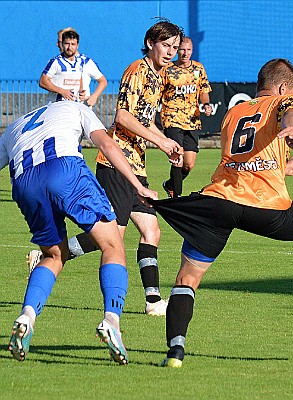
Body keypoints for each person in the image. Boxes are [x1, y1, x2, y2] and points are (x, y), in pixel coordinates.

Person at [149, 58, 293, 368]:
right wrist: (290, 126)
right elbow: (292, 110)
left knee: (187, 277)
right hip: (263, 206)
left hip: (218, 202)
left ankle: (175, 353)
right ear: (282, 87)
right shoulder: (283, 101)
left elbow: (242, 161)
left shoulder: (234, 112)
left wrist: (280, 168)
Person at [28, 20, 185, 317]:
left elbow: (144, 119)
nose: (171, 52)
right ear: (150, 43)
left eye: (175, 48)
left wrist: (166, 142)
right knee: (111, 238)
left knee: (151, 231)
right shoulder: (137, 70)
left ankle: (152, 301)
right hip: (116, 164)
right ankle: (51, 254)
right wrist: (162, 144)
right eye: (166, 46)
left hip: (136, 164)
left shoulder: (159, 76)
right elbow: (123, 117)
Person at [0, 101, 159, 364]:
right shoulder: (76, 108)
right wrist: (137, 186)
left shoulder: (14, 127)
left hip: (25, 183)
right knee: (112, 244)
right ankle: (112, 321)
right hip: (65, 169)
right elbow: (107, 145)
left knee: (53, 255)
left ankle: (27, 316)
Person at [160, 36, 212, 198]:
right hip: (172, 118)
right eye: (181, 49)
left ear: (192, 50)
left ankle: (170, 184)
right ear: (176, 50)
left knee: (188, 164)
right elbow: (158, 91)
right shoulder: (167, 69)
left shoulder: (198, 68)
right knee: (179, 157)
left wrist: (206, 104)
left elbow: (203, 90)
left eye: (188, 50)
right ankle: (176, 196)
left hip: (192, 120)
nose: (185, 53)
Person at [39, 30, 107, 107]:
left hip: (80, 108)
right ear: (62, 44)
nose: (69, 47)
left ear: (77, 45)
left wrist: (94, 96)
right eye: (67, 44)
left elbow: (102, 81)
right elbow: (43, 82)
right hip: (57, 108)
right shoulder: (55, 62)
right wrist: (62, 91)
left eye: (73, 44)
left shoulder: (85, 62)